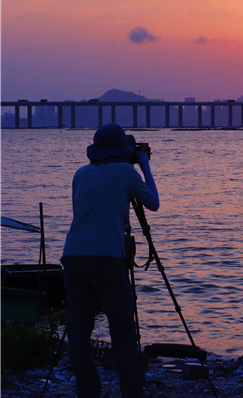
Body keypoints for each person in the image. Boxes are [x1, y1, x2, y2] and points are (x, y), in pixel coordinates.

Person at [61, 123, 159, 398]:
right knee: (123, 329)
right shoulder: (126, 171)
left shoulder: (80, 174)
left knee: (79, 330)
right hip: (106, 258)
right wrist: (143, 164)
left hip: (73, 256)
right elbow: (153, 203)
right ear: (122, 151)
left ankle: (88, 390)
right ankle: (131, 390)